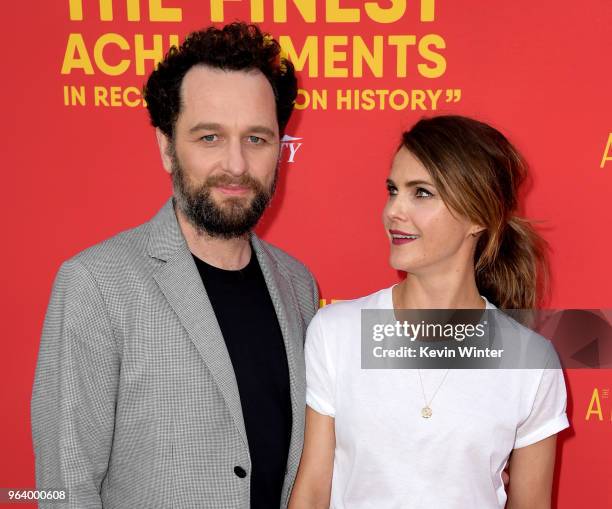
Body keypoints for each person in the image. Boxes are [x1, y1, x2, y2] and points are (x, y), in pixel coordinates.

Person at [31, 22, 319, 509]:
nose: (236, 164)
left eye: (257, 138)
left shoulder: (298, 284)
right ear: (166, 147)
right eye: (209, 137)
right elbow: (62, 484)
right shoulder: (96, 284)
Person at [289, 115, 569, 508]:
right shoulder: (337, 332)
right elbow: (313, 493)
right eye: (392, 190)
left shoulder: (529, 360)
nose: (393, 211)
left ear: (478, 217)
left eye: (421, 193)